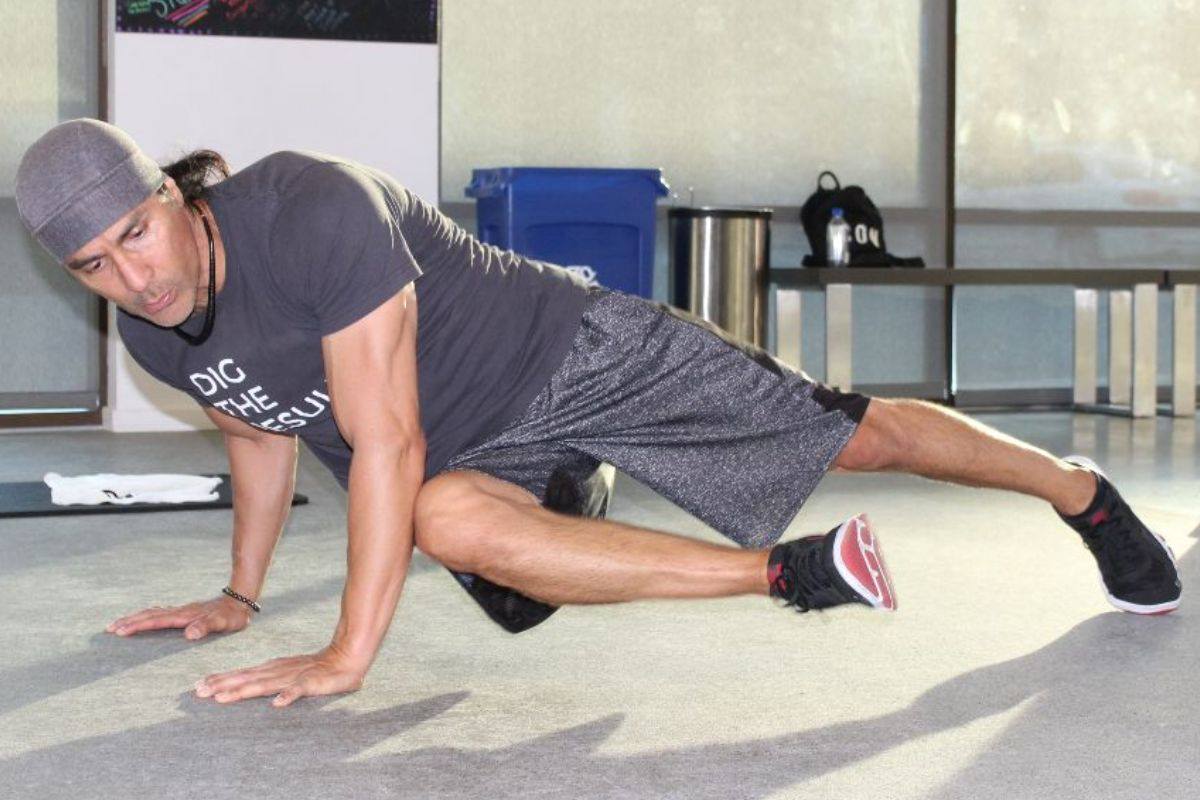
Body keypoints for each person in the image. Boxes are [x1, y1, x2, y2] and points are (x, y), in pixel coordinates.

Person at [14, 119, 1182, 708]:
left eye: (137, 234)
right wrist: (239, 593)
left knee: (855, 432)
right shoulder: (153, 329)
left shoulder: (311, 209)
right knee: (446, 519)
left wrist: (345, 653)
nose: (134, 277)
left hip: (573, 352)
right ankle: (788, 573)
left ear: (173, 194)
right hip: (475, 453)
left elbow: (385, 439)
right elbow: (260, 428)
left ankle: (1080, 492)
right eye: (94, 266)